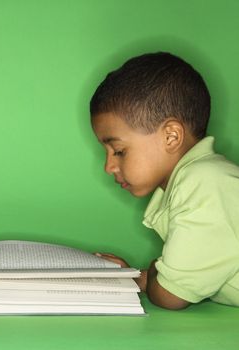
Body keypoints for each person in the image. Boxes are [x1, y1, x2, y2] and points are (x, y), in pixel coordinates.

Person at [89, 52, 239, 310]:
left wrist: (156, 273)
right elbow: (176, 279)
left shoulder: (206, 183)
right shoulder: (199, 181)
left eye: (119, 151)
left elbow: (171, 296)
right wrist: (135, 276)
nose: (108, 167)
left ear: (171, 137)